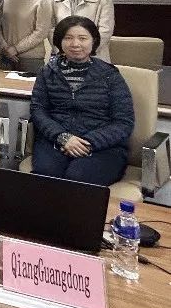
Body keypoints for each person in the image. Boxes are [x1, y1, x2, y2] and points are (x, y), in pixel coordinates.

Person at [29, 16, 133, 186]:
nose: (75, 44)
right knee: (46, 176)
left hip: (103, 146)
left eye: (83, 38)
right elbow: (38, 110)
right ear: (60, 42)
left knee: (77, 178)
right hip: (56, 141)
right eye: (68, 38)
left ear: (94, 41)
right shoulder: (47, 73)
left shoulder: (110, 75)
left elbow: (124, 122)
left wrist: (88, 143)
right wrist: (63, 137)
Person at [0, 0, 52, 73]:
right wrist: (5, 48)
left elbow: (41, 32)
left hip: (31, 59)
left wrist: (16, 49)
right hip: (4, 56)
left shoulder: (42, 0)